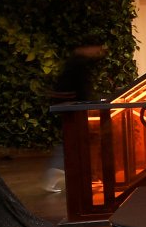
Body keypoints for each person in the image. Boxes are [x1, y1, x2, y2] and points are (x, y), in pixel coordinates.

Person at [40, 38, 105, 193]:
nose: (99, 51)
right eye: (97, 47)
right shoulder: (79, 64)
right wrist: (88, 104)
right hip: (75, 109)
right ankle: (61, 172)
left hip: (72, 108)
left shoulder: (75, 62)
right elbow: (82, 90)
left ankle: (64, 174)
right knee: (74, 141)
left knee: (72, 141)